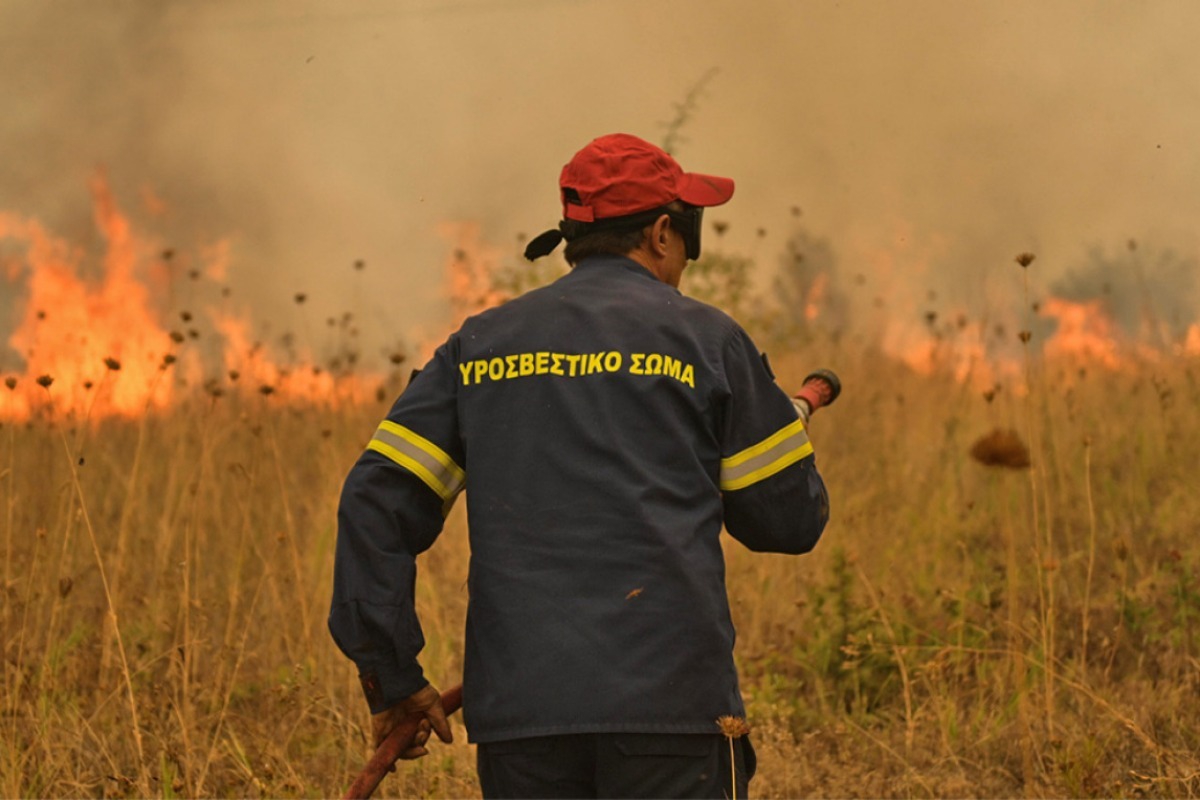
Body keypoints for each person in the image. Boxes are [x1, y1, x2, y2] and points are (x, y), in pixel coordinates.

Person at [329, 132, 830, 798]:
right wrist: (775, 441)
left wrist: (390, 677)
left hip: (523, 721)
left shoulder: (479, 347)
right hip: (672, 713)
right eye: (689, 236)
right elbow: (787, 524)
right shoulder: (708, 341)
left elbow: (375, 503)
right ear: (659, 234)